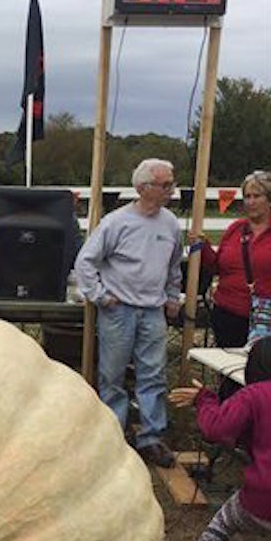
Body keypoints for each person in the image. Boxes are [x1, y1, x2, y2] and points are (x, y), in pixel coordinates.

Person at [74, 159, 182, 468]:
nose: (170, 191)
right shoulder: (116, 222)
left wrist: (173, 296)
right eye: (165, 185)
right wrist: (100, 297)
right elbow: (86, 261)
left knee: (153, 374)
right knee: (113, 375)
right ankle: (114, 436)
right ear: (143, 188)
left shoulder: (171, 223)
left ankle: (151, 438)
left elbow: (174, 266)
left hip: (153, 311)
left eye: (170, 184)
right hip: (118, 310)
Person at [162, 334, 271, 541]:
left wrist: (205, 400)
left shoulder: (254, 395)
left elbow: (216, 429)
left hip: (261, 497)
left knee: (220, 529)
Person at [189, 170, 271, 348]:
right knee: (228, 369)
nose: (250, 202)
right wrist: (202, 247)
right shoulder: (236, 229)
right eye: (247, 196)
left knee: (262, 372)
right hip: (228, 313)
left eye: (256, 196)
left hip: (267, 319)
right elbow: (216, 267)